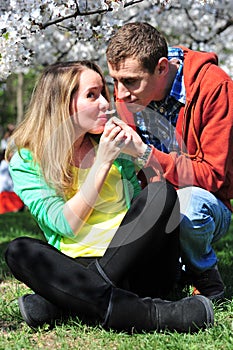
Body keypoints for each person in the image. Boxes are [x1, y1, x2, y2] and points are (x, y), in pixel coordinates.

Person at [4, 60, 214, 333]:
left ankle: (63, 303)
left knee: (160, 193)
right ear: (61, 104)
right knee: (18, 249)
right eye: (92, 95)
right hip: (75, 265)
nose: (105, 102)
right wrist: (101, 163)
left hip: (139, 266)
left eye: (103, 92)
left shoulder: (111, 143)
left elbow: (146, 215)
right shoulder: (26, 160)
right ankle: (154, 314)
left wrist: (138, 154)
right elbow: (65, 224)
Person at [106, 22, 233, 302]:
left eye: (129, 81)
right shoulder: (128, 93)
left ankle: (205, 276)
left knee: (188, 205)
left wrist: (146, 155)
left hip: (207, 204)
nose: (120, 93)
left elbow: (214, 176)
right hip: (153, 199)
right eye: (114, 79)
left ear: (162, 68)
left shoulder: (214, 87)